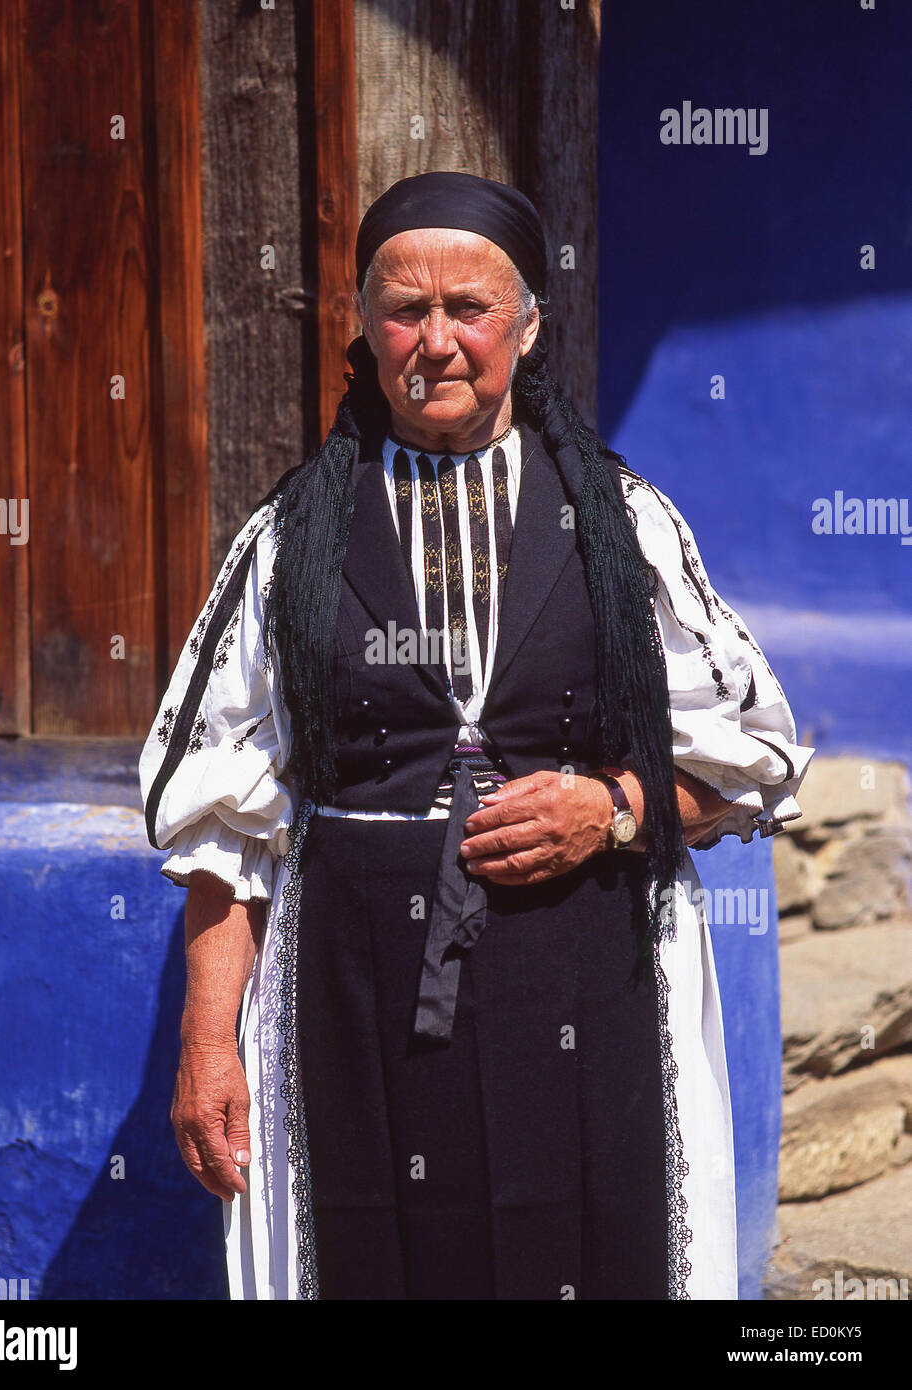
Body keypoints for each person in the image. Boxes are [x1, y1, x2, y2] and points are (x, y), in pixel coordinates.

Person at [139, 171, 814, 1301]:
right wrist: (209, 1041)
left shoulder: (618, 522)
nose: (436, 341)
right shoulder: (289, 539)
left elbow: (746, 760)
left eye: (471, 310)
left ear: (528, 326)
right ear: (364, 324)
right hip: (353, 988)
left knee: (590, 1245)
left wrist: (611, 810)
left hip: (586, 973)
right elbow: (225, 824)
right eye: (406, 309)